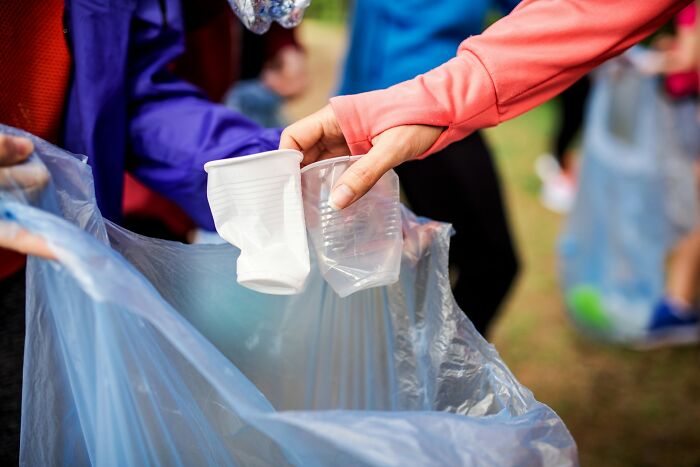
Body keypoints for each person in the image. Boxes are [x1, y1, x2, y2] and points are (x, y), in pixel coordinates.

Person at [281, 0, 691, 213]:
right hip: (407, 107)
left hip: (429, 102)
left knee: (451, 251)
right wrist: (362, 101)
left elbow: (566, 13)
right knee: (483, 259)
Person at [338, 0, 520, 333]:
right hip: (412, 110)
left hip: (449, 99)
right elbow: (370, 19)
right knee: (490, 263)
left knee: (445, 253)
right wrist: (354, 117)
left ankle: (424, 364)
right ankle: (433, 373)